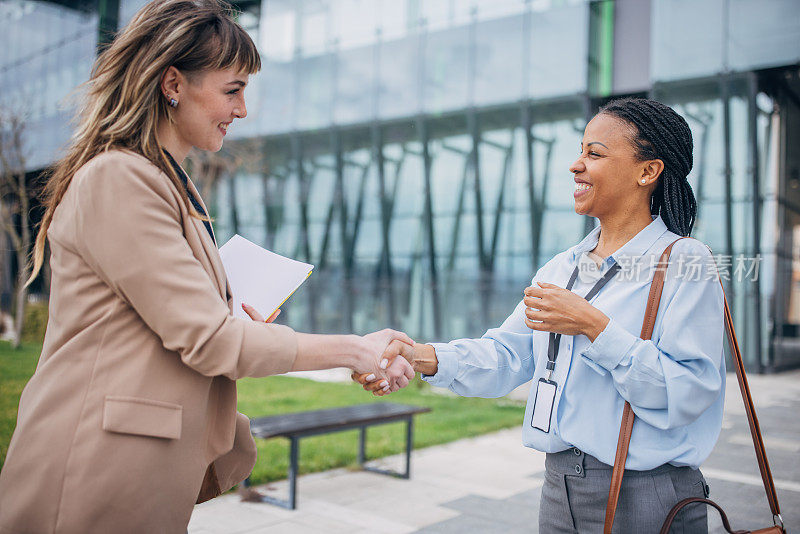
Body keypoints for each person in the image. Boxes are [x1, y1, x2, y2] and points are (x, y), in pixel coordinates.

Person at [0, 1, 413, 532]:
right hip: (91, 470)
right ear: (173, 84)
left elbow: (177, 327)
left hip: (132, 469)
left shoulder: (170, 183)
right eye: (232, 89)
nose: (243, 110)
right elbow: (209, 340)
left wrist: (232, 319)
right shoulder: (120, 180)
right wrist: (357, 349)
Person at [358, 98, 726, 532]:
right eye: (580, 151)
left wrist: (593, 326)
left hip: (646, 493)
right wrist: (419, 356)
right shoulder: (561, 268)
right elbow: (508, 355)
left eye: (595, 153)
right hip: (559, 486)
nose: (576, 165)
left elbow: (688, 392)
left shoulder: (686, 262)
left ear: (648, 172)